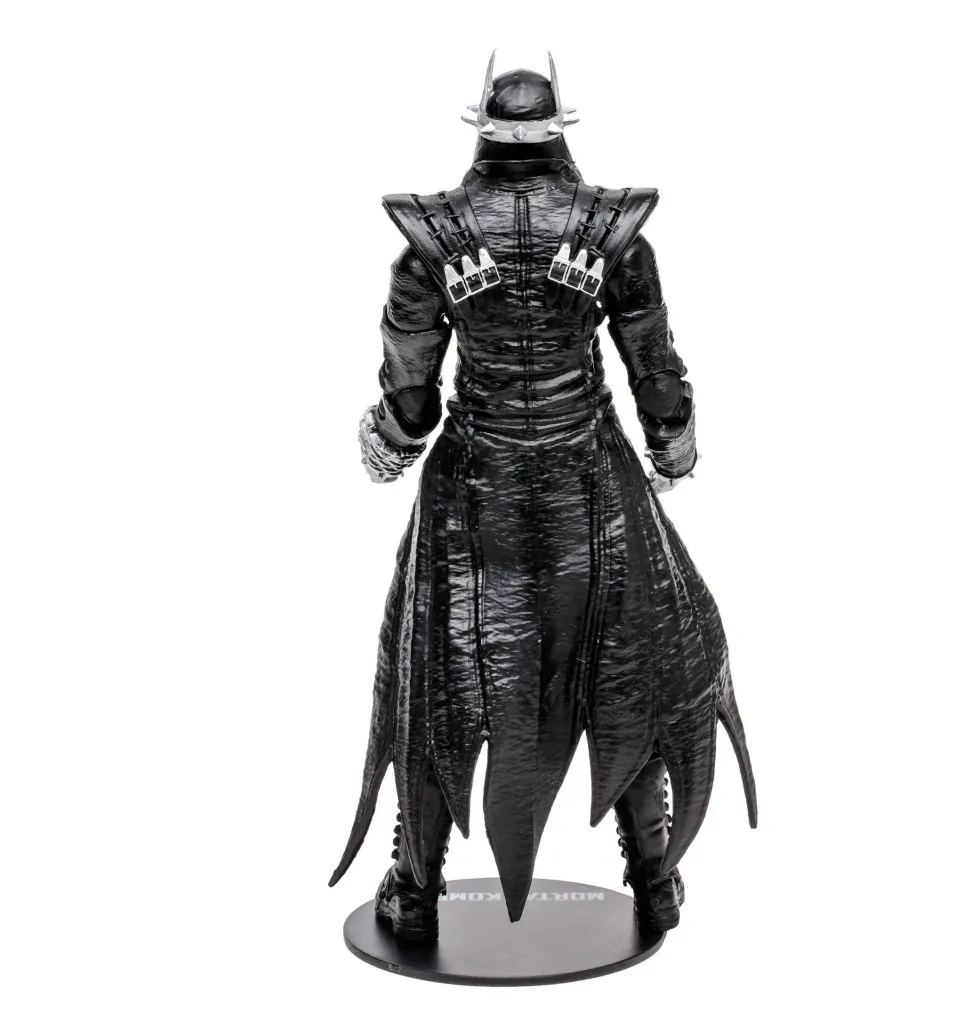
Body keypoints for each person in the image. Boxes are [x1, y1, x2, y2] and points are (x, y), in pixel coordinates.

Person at [329, 53, 757, 943]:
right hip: (591, 479)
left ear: (482, 133)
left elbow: (411, 397)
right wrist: (673, 449)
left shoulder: (431, 245)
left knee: (443, 677)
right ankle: (655, 879)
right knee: (628, 664)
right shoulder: (614, 237)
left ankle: (414, 892)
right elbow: (656, 371)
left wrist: (387, 443)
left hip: (474, 490)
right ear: (559, 131)